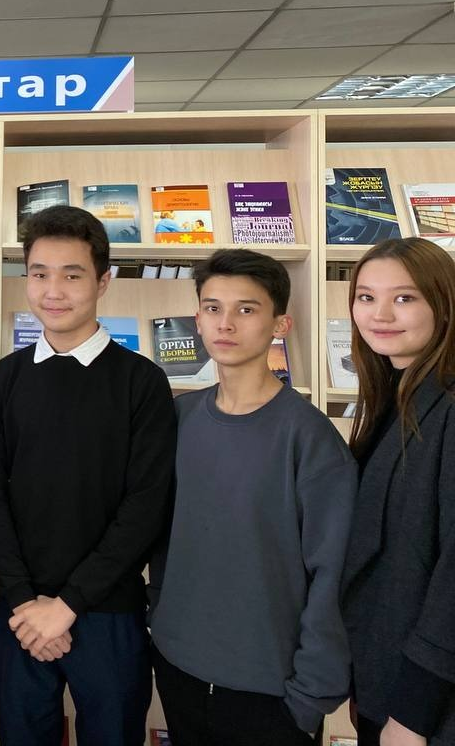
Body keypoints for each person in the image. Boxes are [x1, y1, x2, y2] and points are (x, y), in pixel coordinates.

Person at [0, 205, 175, 746]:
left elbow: (146, 506)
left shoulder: (141, 382)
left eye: (72, 275)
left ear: (103, 282)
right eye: (39, 274)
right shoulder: (5, 379)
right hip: (19, 612)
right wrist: (26, 602)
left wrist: (66, 607)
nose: (53, 291)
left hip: (108, 612)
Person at [149, 250, 355, 745]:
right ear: (197, 319)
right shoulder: (179, 419)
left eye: (246, 309)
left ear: (280, 324)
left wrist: (309, 700)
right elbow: (161, 536)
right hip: (179, 669)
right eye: (213, 308)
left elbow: (333, 575)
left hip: (271, 694)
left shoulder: (310, 438)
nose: (226, 323)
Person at [342, 237, 455, 746]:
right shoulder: (396, 391)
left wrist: (412, 713)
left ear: (444, 304)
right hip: (384, 675)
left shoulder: (448, 405)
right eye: (366, 297)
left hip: (428, 704)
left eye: (404, 298)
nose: (380, 314)